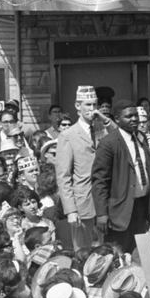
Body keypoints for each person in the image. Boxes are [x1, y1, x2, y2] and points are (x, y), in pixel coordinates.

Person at [91, 101, 150, 253]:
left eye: (136, 115)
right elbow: (99, 180)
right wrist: (101, 213)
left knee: (138, 253)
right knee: (118, 253)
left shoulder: (141, 138)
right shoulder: (109, 143)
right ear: (117, 119)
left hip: (141, 206)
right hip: (119, 211)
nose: (134, 119)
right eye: (129, 116)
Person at [55, 85, 113, 251]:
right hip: (82, 202)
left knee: (104, 249)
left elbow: (120, 137)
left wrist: (103, 118)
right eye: (88, 105)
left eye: (94, 105)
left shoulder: (104, 129)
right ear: (77, 106)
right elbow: (63, 176)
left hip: (104, 199)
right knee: (83, 251)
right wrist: (71, 210)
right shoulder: (68, 135)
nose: (92, 109)